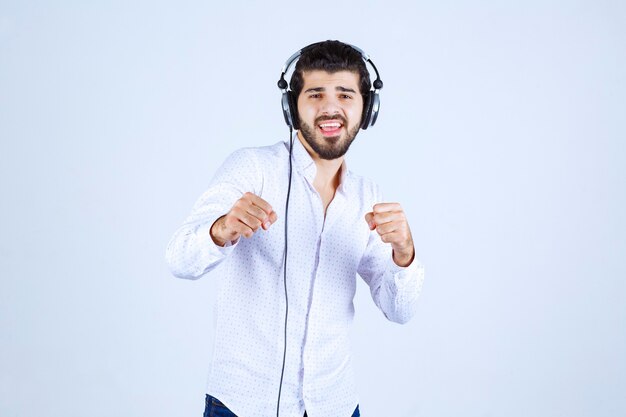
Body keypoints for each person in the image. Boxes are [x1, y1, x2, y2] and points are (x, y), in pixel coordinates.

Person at [165, 40, 425, 417]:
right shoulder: (251, 169)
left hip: (334, 405)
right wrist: (221, 230)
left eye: (345, 95)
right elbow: (178, 258)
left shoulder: (368, 196)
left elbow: (399, 310)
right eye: (315, 94)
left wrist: (405, 253)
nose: (330, 107)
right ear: (292, 106)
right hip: (242, 405)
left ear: (367, 109)